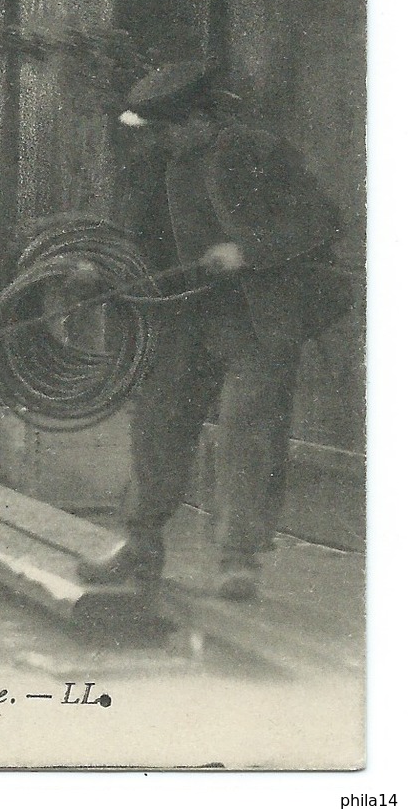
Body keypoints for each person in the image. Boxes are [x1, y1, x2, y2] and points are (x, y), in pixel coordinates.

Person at [77, 61, 353, 601]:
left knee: (247, 433)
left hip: (259, 320)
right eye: (156, 132)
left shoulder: (258, 152)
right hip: (188, 320)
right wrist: (100, 273)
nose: (163, 140)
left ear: (201, 118)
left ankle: (238, 559)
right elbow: (137, 242)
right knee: (157, 423)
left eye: (171, 129)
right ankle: (141, 543)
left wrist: (247, 250)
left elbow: (322, 221)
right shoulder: (158, 165)